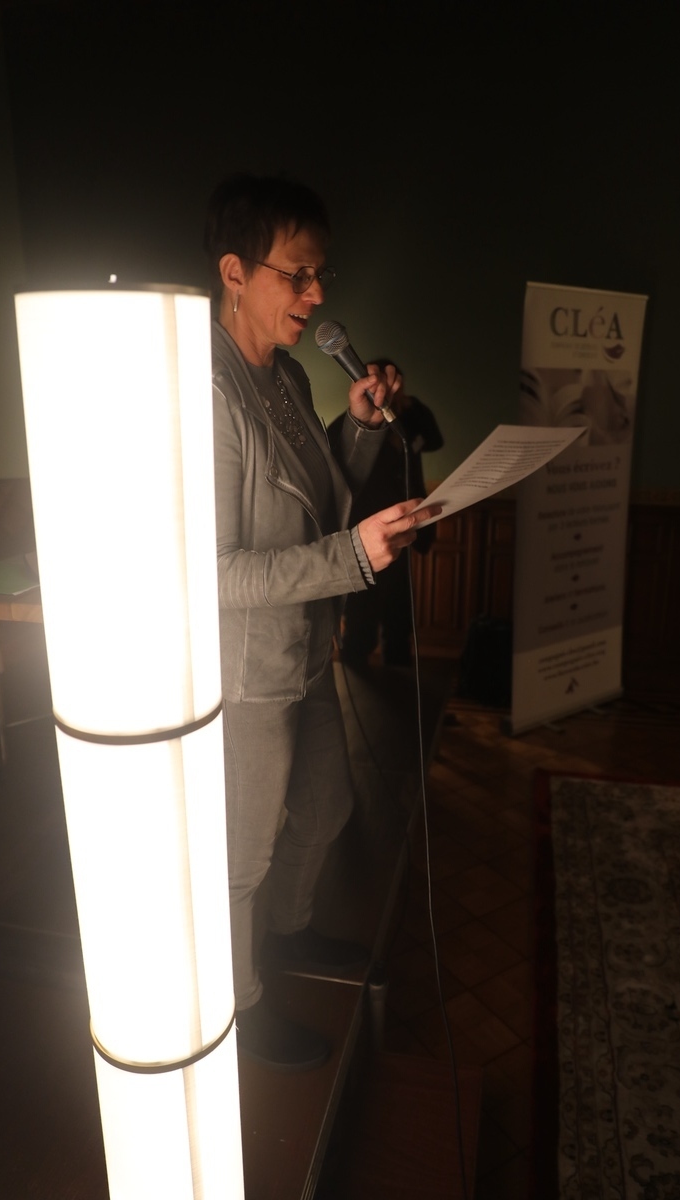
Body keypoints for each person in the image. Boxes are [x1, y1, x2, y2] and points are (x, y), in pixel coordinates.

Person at [203, 174, 441, 1071]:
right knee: (242, 855)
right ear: (234, 271)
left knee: (326, 806)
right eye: (295, 275)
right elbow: (215, 571)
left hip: (306, 648)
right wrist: (355, 558)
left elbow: (315, 495)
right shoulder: (206, 393)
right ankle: (236, 1004)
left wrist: (362, 426)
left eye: (320, 276)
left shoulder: (293, 375)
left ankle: (289, 932)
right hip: (247, 668)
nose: (315, 296)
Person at [328, 361, 443, 667]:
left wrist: (410, 405)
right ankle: (355, 663)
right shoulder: (349, 424)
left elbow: (436, 440)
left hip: (406, 526)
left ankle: (398, 666)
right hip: (367, 530)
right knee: (362, 608)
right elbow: (335, 464)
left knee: (400, 608)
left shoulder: (409, 420)